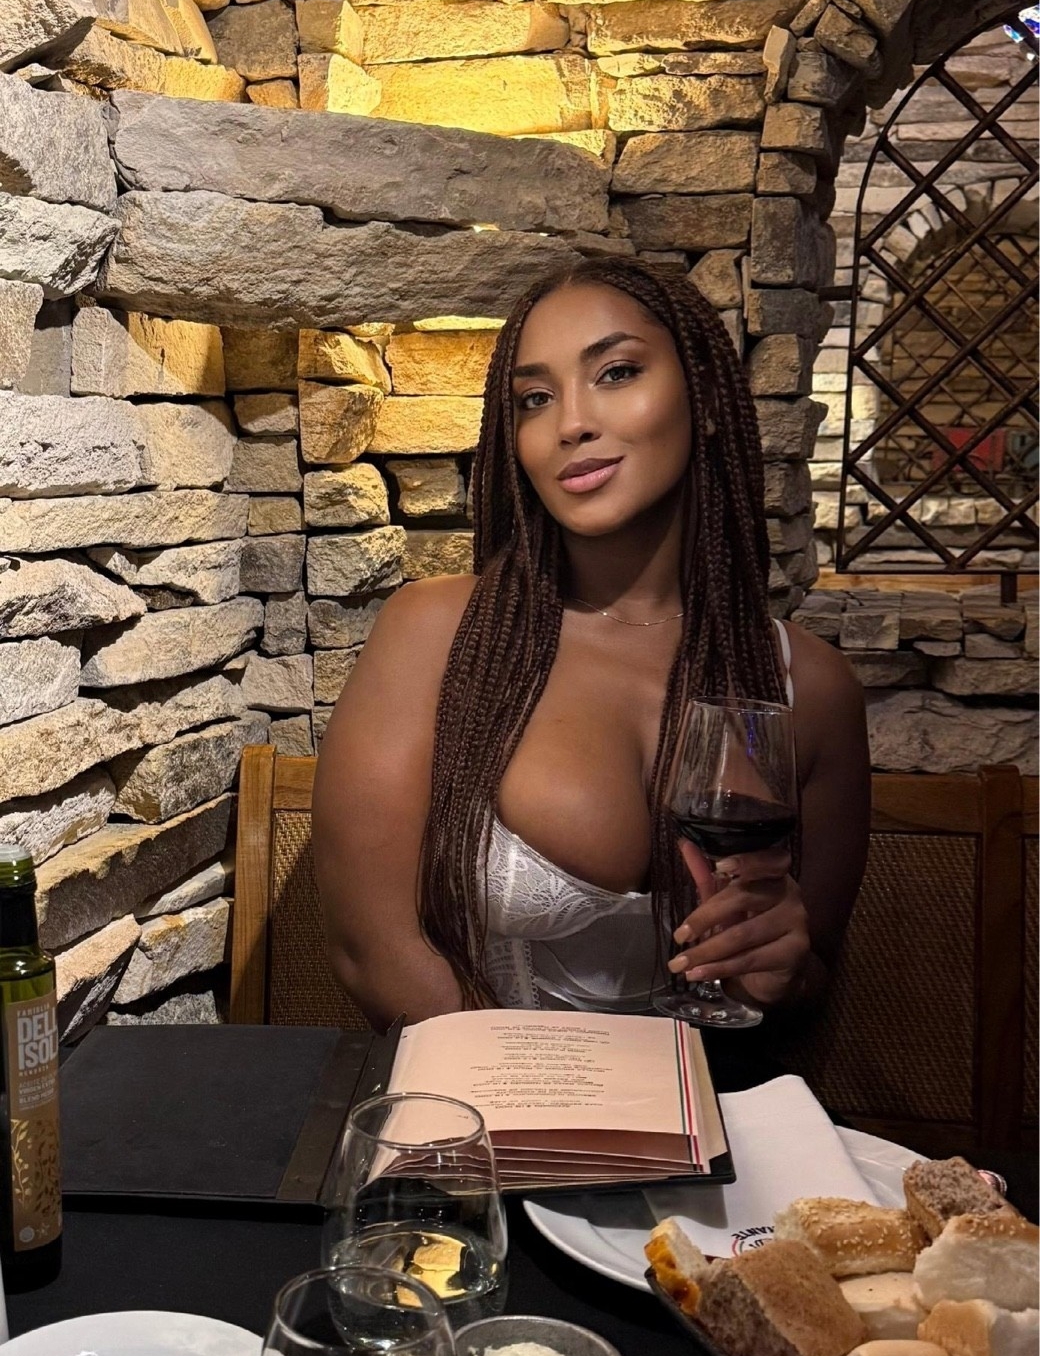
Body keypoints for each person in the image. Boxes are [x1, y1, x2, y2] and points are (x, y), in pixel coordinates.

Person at [313, 259, 870, 1050]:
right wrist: (548, 1109)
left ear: (706, 400)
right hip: (480, 1106)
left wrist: (774, 972)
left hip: (711, 1110)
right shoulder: (435, 635)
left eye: (616, 372)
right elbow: (375, 955)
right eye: (535, 399)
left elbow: (810, 988)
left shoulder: (809, 687)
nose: (570, 423)